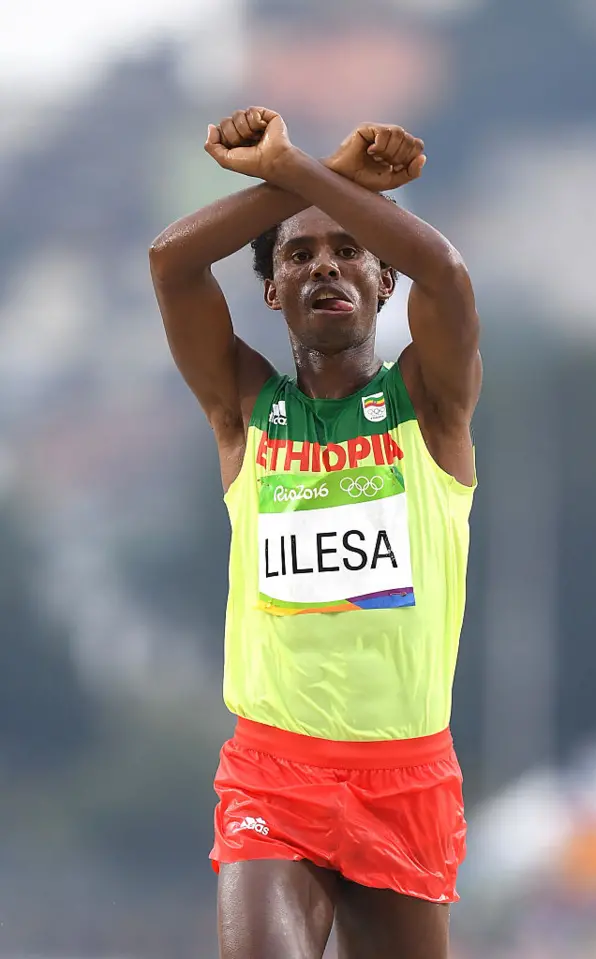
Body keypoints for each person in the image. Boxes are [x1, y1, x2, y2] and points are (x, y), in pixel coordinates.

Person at [149, 107, 481, 959]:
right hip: (275, 767)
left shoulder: (430, 406)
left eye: (348, 252)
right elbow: (171, 261)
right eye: (298, 254)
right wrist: (307, 170)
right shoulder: (244, 412)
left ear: (383, 283)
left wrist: (310, 173)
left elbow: (444, 270)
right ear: (272, 290)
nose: (324, 265)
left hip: (406, 772)